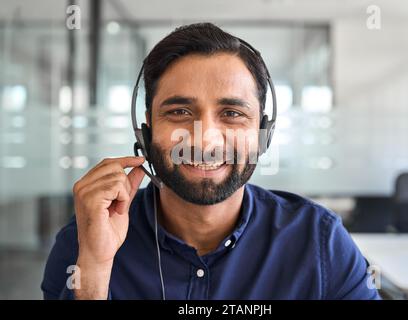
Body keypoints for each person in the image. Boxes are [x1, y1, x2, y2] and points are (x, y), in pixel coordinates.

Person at [41, 22, 380, 300]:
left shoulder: (319, 240)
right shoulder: (84, 239)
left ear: (263, 132)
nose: (204, 139)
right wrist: (96, 269)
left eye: (232, 113)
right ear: (146, 130)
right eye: (179, 112)